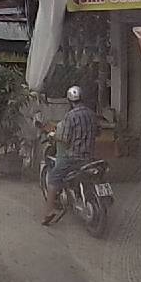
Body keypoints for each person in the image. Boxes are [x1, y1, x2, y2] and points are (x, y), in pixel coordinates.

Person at [42, 85, 99, 226]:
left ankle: (49, 212)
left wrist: (53, 136)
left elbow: (65, 139)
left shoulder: (70, 116)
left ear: (69, 101)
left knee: (53, 177)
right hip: (89, 157)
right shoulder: (92, 114)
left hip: (72, 158)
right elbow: (98, 132)